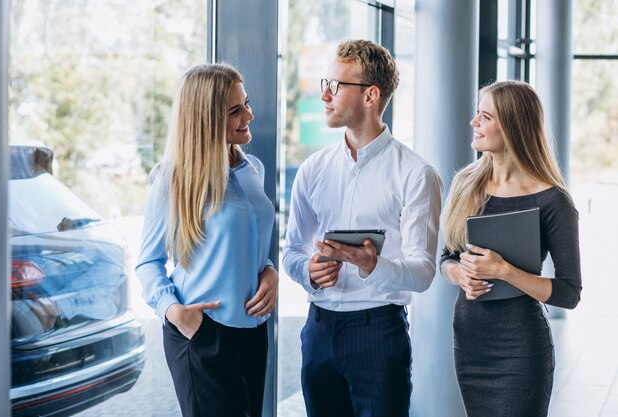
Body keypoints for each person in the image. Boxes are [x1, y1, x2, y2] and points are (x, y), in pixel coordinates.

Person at [282, 39, 443, 417]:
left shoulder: (416, 174)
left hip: (378, 332)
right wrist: (308, 270)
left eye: (335, 86)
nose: (324, 95)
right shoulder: (313, 169)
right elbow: (291, 251)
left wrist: (371, 264)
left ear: (371, 95)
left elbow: (423, 273)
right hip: (318, 330)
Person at [135, 64, 278, 417]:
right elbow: (148, 263)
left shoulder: (253, 169)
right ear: (206, 119)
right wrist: (175, 313)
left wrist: (270, 271)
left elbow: (252, 242)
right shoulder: (172, 179)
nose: (250, 115)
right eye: (235, 110)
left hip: (253, 330)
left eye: (246, 103)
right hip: (200, 332)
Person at [440, 80, 582, 417]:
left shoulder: (553, 200)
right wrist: (460, 274)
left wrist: (504, 271)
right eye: (478, 114)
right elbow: (445, 259)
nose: (474, 122)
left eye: (486, 117)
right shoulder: (466, 184)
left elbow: (569, 293)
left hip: (521, 348)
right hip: (470, 341)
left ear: (514, 126)